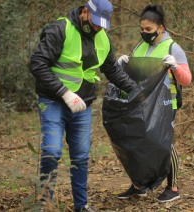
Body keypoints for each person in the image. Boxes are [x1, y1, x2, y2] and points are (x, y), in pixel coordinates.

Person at [29, 0, 137, 211]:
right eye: (96, 22)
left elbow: (112, 69)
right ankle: (45, 204)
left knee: (80, 156)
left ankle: (81, 206)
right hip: (53, 101)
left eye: (102, 24)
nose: (98, 27)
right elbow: (37, 63)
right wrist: (64, 93)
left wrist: (137, 91)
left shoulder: (103, 38)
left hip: (83, 106)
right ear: (85, 11)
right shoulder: (60, 29)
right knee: (52, 151)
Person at [116, 4, 192, 203]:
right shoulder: (139, 47)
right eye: (141, 29)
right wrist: (124, 65)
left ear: (160, 27)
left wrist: (175, 67)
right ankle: (139, 185)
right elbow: (136, 76)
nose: (144, 33)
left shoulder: (172, 47)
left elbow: (186, 80)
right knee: (138, 143)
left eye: (148, 29)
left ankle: (173, 187)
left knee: (164, 143)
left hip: (166, 104)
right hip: (142, 104)